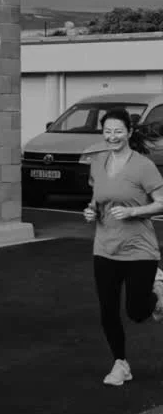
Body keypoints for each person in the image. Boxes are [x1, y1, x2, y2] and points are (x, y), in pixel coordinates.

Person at [83, 107, 163, 386]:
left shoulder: (143, 166)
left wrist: (133, 212)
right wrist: (91, 211)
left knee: (137, 312)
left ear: (129, 132)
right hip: (105, 247)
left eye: (118, 131)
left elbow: (161, 202)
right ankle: (120, 364)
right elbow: (97, 199)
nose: (112, 136)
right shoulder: (98, 163)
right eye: (107, 131)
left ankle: (158, 290)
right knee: (108, 310)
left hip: (139, 249)